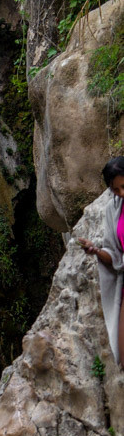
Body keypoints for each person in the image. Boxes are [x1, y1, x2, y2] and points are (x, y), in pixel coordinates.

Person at [78, 156, 124, 366]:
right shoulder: (113, 209)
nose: (122, 193)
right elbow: (114, 254)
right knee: (122, 355)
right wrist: (96, 250)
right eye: (116, 190)